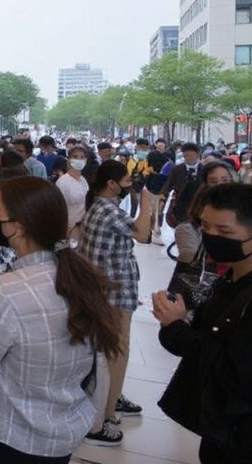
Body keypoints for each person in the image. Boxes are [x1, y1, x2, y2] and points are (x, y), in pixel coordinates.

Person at [0, 177, 123, 464]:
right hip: (62, 437)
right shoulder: (81, 278)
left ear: (17, 226)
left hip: (12, 440)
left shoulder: (7, 290)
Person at [152, 183, 252, 463]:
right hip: (220, 432)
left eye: (224, 232)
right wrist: (174, 322)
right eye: (206, 228)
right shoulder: (232, 279)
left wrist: (178, 329)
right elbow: (202, 342)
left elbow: (240, 378)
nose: (211, 237)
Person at [78, 160, 151, 446]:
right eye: (126, 182)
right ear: (111, 184)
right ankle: (104, 416)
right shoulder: (108, 210)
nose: (129, 185)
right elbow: (143, 234)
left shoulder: (98, 206)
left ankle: (110, 400)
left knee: (107, 353)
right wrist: (146, 203)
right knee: (115, 352)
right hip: (114, 292)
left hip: (105, 290)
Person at [56, 145, 90, 240]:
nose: (79, 160)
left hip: (83, 228)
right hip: (68, 230)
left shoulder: (83, 181)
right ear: (69, 159)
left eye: (82, 157)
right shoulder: (62, 182)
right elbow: (58, 209)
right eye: (75, 157)